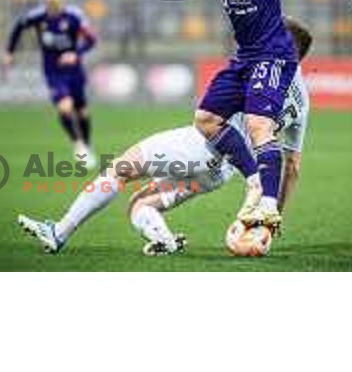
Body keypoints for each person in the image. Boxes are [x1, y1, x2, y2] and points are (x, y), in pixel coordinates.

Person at [118, 0, 352, 231]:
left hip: (273, 54)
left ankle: (266, 204)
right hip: (245, 56)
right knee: (205, 120)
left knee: (258, 124)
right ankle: (253, 178)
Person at [17, 17, 312, 256]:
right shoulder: (302, 100)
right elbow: (293, 167)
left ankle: (60, 231)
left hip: (201, 147)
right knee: (140, 206)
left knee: (119, 169)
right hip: (220, 173)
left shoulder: (261, 69)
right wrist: (270, 221)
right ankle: (165, 241)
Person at [4, 0, 97, 164]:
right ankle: (78, 145)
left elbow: (92, 40)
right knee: (64, 107)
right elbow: (18, 27)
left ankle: (87, 144)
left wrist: (75, 54)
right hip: (53, 72)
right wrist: (9, 52)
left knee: (82, 112)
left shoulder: (74, 16)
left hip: (74, 71)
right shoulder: (37, 17)